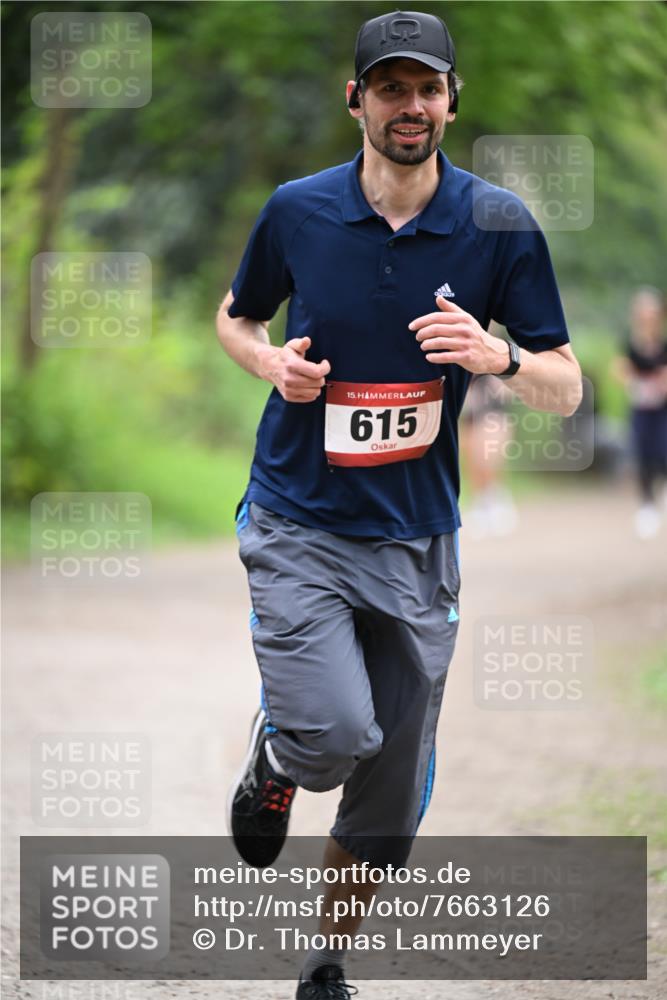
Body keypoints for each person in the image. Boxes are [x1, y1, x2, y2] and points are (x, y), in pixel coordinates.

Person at [216, 10, 582, 998]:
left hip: (419, 540)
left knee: (390, 780)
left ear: (452, 102)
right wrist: (266, 361)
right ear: (357, 101)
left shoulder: (498, 222)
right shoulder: (295, 210)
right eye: (390, 88)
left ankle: (325, 959)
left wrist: (500, 355)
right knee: (334, 735)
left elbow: (567, 381)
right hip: (298, 515)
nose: (410, 105)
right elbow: (237, 313)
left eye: (427, 88)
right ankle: (279, 756)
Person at [613, 287, 667, 539]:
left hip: (662, 408)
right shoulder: (630, 343)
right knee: (643, 454)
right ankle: (647, 505)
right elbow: (621, 370)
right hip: (641, 407)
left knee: (662, 450)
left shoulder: (663, 345)